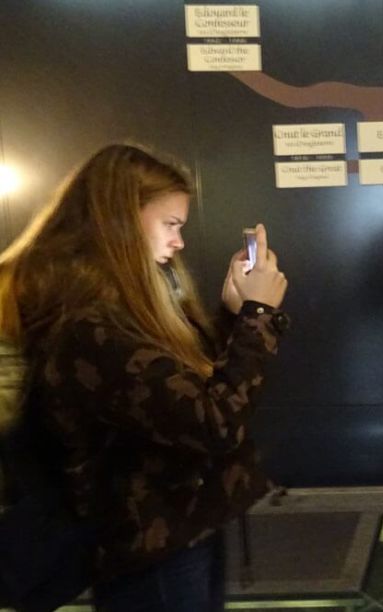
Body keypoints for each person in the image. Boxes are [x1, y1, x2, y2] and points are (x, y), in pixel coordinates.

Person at [0, 143, 289, 611]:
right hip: (149, 543)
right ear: (120, 221)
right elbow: (212, 422)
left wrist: (235, 316)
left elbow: (180, 389)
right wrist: (257, 317)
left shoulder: (121, 306)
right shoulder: (91, 326)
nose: (179, 242)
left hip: (180, 522)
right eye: (170, 224)